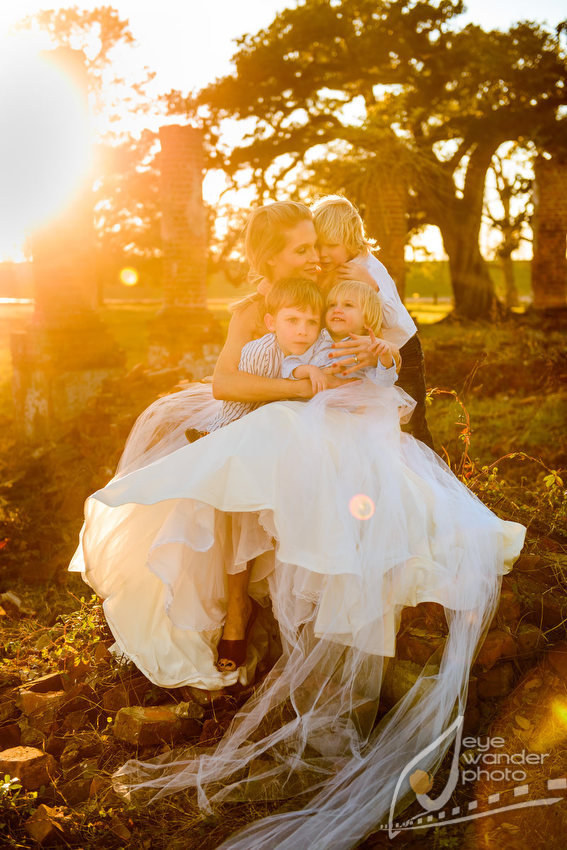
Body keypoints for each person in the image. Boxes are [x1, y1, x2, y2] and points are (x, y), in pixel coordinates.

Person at [70, 200, 525, 850]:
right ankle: (231, 613)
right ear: (266, 259)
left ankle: (302, 610)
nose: (315, 255)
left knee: (315, 466)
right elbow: (228, 382)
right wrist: (301, 389)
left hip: (327, 409)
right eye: (299, 249)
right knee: (224, 472)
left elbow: (372, 338)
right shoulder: (249, 309)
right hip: (269, 403)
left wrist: (366, 352)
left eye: (315, 244)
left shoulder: (336, 288)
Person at [312, 194, 435, 449]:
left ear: (351, 242)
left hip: (401, 348)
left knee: (409, 422)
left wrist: (371, 285)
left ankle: (426, 475)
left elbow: (392, 317)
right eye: (318, 245)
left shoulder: (368, 266)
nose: (323, 254)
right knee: (377, 421)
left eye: (331, 246)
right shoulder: (332, 267)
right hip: (366, 352)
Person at [283, 279, 399, 392]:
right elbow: (289, 364)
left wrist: (385, 358)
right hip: (312, 401)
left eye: (348, 305)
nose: (337, 309)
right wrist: (310, 370)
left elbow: (385, 384)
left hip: (351, 406)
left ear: (367, 320)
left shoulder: (369, 348)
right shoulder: (319, 339)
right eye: (332, 305)